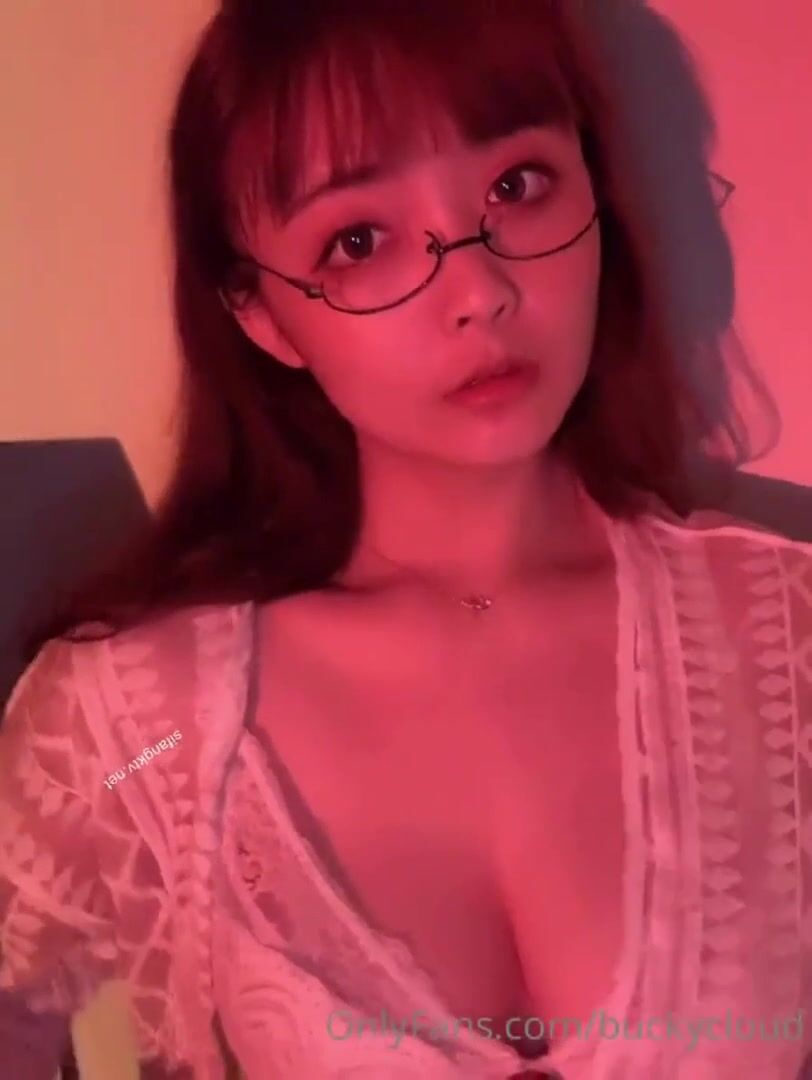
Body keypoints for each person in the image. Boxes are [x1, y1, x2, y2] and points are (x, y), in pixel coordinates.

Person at [1, 1, 810, 1077]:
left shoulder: (782, 640)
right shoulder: (139, 730)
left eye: (517, 185)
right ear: (259, 314)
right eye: (358, 241)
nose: (480, 291)